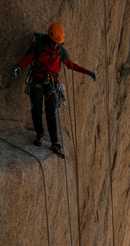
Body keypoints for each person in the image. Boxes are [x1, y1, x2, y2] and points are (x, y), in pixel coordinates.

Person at [11, 23, 96, 158]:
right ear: (49, 39)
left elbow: (70, 64)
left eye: (58, 44)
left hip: (51, 82)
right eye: (54, 43)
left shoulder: (61, 51)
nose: (56, 46)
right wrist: (18, 67)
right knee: (36, 108)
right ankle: (40, 135)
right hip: (37, 80)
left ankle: (54, 142)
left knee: (51, 111)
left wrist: (87, 72)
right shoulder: (37, 45)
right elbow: (28, 58)